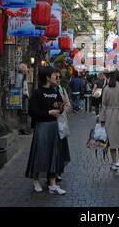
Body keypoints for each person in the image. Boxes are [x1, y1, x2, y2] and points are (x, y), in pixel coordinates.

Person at [25, 67, 71, 195]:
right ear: (47, 77)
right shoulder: (38, 93)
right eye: (54, 75)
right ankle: (35, 179)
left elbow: (60, 106)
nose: (57, 77)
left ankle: (52, 184)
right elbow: (32, 112)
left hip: (54, 127)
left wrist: (62, 107)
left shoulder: (55, 91)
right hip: (42, 127)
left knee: (54, 155)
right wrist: (48, 112)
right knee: (40, 154)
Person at [15, 63, 31, 135]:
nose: (26, 70)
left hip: (24, 96)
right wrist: (24, 95)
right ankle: (22, 129)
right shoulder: (20, 76)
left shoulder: (23, 76)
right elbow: (19, 87)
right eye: (25, 69)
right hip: (22, 96)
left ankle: (23, 128)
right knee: (23, 113)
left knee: (24, 113)